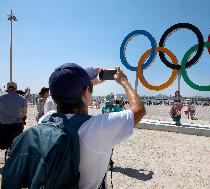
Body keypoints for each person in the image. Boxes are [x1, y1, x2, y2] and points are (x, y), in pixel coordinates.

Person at [3, 63, 146, 189]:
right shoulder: (98, 128)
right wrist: (124, 81)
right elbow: (139, 109)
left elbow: (66, 89)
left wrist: (87, 81)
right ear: (85, 92)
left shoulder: (46, 119)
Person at [0, 81, 27, 150]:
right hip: (16, 125)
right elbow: (24, 112)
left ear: (7, 88)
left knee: (3, 144)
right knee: (17, 145)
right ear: (16, 88)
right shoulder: (22, 98)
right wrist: (19, 118)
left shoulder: (1, 97)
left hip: (3, 125)